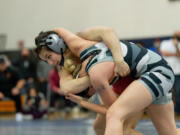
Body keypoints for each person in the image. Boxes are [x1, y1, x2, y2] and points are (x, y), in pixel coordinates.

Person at [34, 26, 177, 135]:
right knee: (168, 132)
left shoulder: (83, 43)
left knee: (115, 116)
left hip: (153, 71)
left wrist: (119, 60)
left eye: (48, 56)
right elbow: (65, 87)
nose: (51, 63)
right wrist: (83, 99)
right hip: (138, 76)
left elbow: (107, 31)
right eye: (46, 61)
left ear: (56, 44)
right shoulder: (72, 66)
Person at [0, 55, 25, 121]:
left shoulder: (12, 70)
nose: (2, 65)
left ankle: (18, 113)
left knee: (17, 95)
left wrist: (17, 88)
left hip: (11, 91)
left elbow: (21, 80)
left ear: (5, 63)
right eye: (0, 64)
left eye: (3, 64)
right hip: (1, 92)